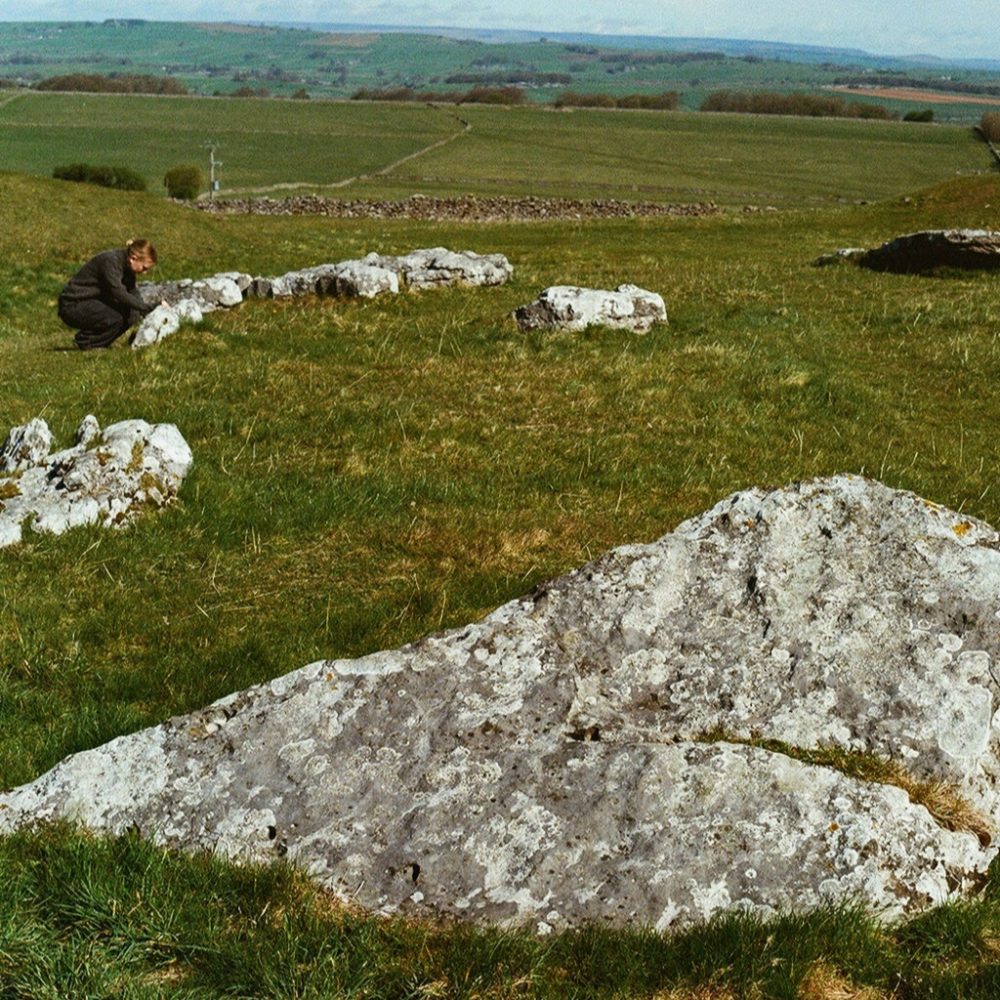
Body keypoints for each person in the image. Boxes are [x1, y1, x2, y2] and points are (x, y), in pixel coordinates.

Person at [58, 239, 161, 350]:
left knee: (133, 314)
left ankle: (97, 343)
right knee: (115, 316)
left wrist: (149, 309)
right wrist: (146, 308)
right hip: (73, 305)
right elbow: (118, 292)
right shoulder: (110, 262)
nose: (144, 273)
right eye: (144, 268)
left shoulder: (127, 267)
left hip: (92, 302)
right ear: (133, 258)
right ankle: (86, 342)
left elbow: (132, 291)